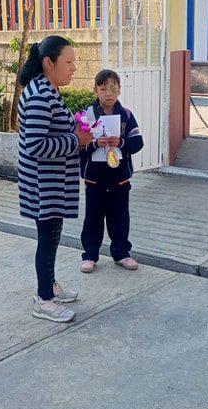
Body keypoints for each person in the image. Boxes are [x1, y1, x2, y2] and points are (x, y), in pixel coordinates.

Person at [17, 35, 94, 322]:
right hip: (43, 183)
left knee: (52, 235)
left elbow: (55, 130)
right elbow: (36, 145)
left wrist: (80, 130)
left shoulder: (48, 90)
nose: (74, 68)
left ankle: (48, 284)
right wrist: (77, 140)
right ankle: (44, 299)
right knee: (47, 240)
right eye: (69, 62)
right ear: (49, 63)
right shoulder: (39, 95)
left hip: (52, 182)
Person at [79, 69, 144, 272]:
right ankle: (90, 255)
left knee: (120, 217)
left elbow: (137, 142)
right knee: (93, 219)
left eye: (113, 89)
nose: (108, 93)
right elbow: (78, 147)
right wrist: (93, 144)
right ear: (95, 90)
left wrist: (121, 142)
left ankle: (121, 253)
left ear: (119, 90)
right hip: (95, 179)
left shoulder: (126, 115)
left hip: (120, 179)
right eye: (103, 88)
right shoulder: (86, 115)